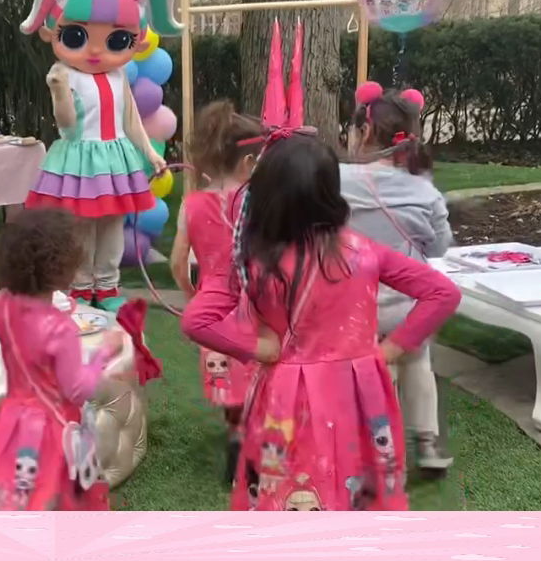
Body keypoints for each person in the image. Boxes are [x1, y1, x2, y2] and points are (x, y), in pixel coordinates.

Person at [181, 131, 460, 511]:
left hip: (283, 395)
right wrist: (391, 350)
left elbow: (197, 321)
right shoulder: (363, 252)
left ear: (266, 194)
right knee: (357, 481)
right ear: (331, 191)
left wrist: (258, 347)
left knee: (285, 483)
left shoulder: (253, 259)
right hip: (360, 394)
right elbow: (443, 293)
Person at [20, 0, 180, 311]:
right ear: (54, 33)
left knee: (111, 224)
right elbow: (67, 125)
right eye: (77, 37)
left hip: (115, 157)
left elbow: (130, 119)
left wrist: (149, 153)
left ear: (132, 41)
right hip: (79, 158)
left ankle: (107, 287)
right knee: (79, 228)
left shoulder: (118, 74)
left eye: (116, 40)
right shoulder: (63, 73)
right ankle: (80, 286)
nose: (95, 51)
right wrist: (60, 93)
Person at [0, 210, 127, 510]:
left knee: (8, 498)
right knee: (53, 498)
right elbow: (77, 390)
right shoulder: (61, 329)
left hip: (11, 422)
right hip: (52, 431)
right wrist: (102, 355)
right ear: (65, 270)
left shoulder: (2, 306)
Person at [342, 82, 454, 472]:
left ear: (366, 133)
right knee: (418, 359)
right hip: (410, 306)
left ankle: (380, 449)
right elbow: (440, 246)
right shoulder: (426, 191)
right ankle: (427, 441)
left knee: (375, 370)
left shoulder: (337, 181)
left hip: (355, 304)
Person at [170, 101, 263, 484]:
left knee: (227, 374)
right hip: (257, 306)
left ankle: (235, 435)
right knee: (258, 371)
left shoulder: (191, 204)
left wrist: (194, 294)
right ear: (248, 163)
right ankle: (257, 444)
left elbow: (177, 262)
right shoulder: (258, 202)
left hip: (213, 309)